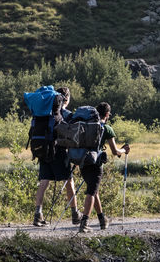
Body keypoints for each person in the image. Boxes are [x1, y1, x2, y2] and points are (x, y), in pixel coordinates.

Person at [77, 102, 131, 232]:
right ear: (107, 114)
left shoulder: (86, 125)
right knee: (91, 192)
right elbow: (115, 151)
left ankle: (102, 220)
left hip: (83, 162)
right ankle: (84, 223)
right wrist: (124, 150)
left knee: (94, 191)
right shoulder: (106, 129)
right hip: (96, 165)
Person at [33, 85, 80, 227]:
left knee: (44, 181)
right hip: (59, 151)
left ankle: (38, 214)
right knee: (69, 182)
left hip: (43, 150)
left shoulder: (45, 113)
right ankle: (75, 214)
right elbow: (72, 135)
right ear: (67, 98)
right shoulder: (66, 114)